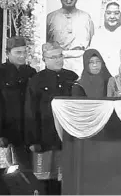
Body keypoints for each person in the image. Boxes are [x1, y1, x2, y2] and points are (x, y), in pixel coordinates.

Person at [24, 42, 79, 195]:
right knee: (46, 182)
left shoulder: (72, 77)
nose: (58, 60)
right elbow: (30, 112)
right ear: (44, 59)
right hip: (45, 139)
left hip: (68, 139)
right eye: (53, 57)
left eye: (60, 56)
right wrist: (33, 140)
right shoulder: (36, 80)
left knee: (67, 181)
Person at [0, 36, 37, 195]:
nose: (22, 55)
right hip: (6, 135)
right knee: (6, 176)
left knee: (26, 176)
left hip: (27, 135)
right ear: (7, 53)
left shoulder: (31, 73)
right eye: (18, 52)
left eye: (24, 52)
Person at [47, 0, 95, 76]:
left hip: (80, 63)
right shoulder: (51, 17)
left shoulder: (86, 17)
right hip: (58, 62)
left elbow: (90, 40)